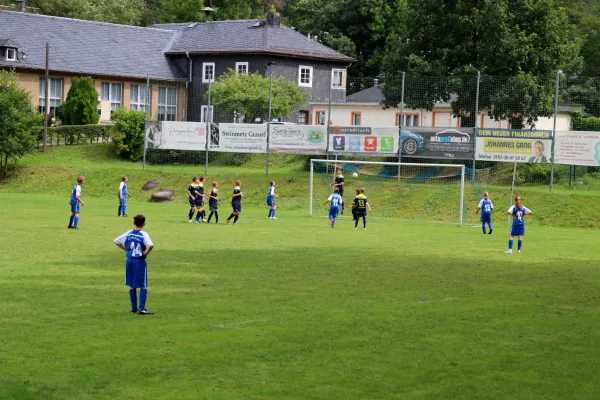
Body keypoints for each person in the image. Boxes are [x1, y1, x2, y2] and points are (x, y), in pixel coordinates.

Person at [114, 214, 154, 315]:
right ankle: (141, 309)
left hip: (130, 260)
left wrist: (126, 250)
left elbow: (116, 241)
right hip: (139, 261)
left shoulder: (129, 233)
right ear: (144, 224)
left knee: (132, 285)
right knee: (143, 285)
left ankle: (133, 308)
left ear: (133, 223)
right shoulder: (144, 234)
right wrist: (146, 253)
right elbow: (151, 245)